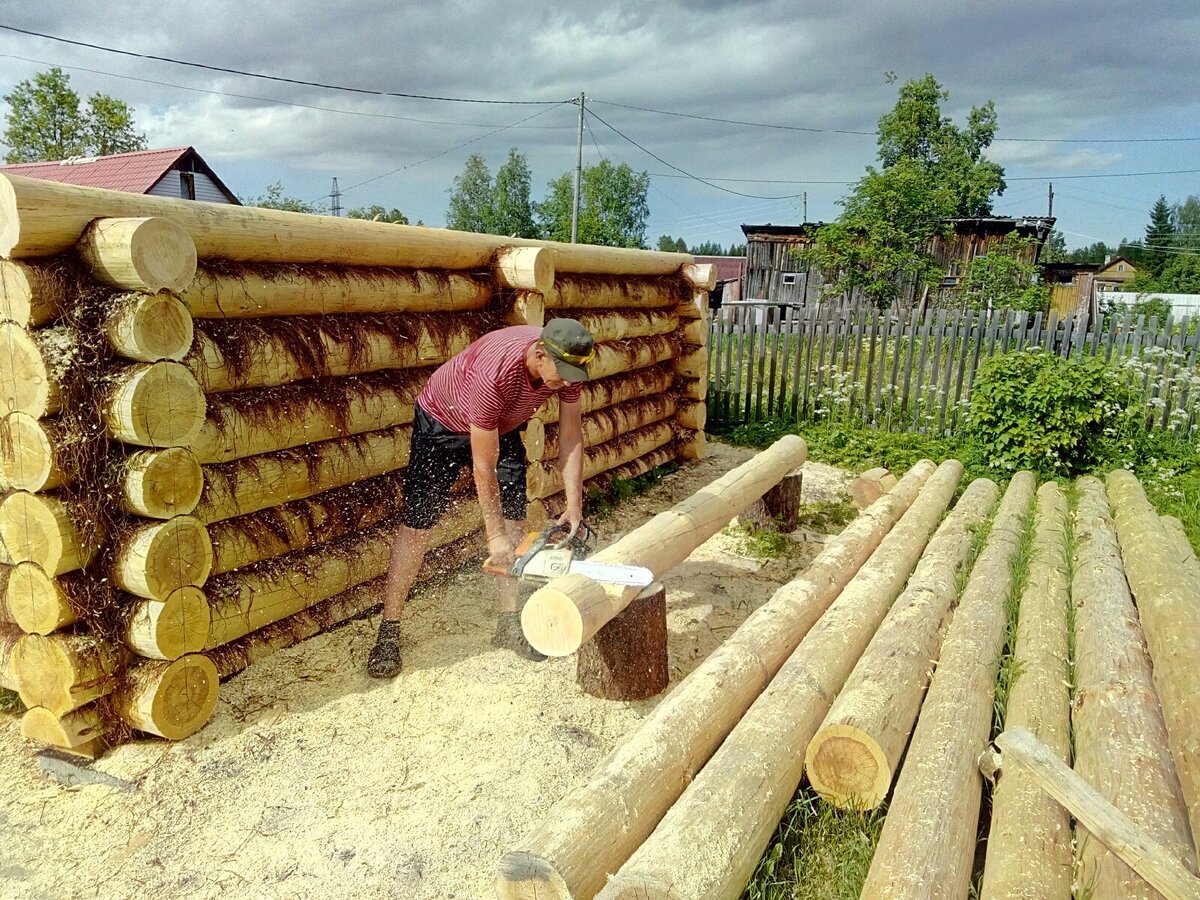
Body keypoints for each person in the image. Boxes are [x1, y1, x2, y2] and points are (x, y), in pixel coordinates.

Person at [366, 318, 593, 678]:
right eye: (561, 374)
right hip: (441, 423)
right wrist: (494, 535)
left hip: (499, 424)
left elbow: (570, 437)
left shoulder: (566, 365)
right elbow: (483, 465)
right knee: (418, 526)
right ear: (539, 354)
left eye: (571, 375)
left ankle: (507, 622)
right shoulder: (495, 373)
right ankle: (388, 631)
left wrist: (574, 506)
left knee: (515, 521)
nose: (565, 383)